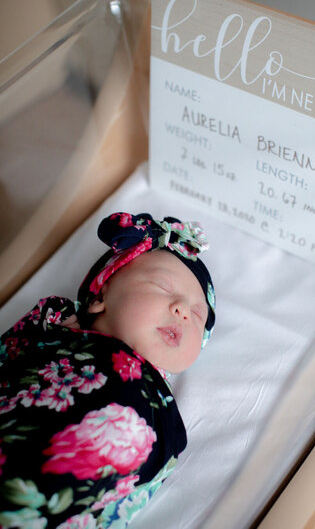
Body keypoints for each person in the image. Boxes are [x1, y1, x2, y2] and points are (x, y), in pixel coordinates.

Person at [0, 212, 216, 529]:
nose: (183, 311)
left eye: (199, 315)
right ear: (101, 294)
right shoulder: (49, 334)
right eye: (163, 287)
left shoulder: (156, 410)